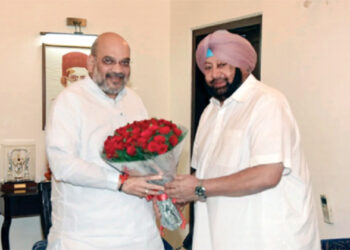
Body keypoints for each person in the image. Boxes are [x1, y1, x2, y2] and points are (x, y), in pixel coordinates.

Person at [165, 30, 320, 250]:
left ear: (245, 66)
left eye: (223, 65)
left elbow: (268, 174)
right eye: (207, 68)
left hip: (267, 238)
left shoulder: (267, 102)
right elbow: (204, 172)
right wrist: (182, 192)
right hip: (221, 235)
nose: (214, 74)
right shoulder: (209, 112)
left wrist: (198, 187)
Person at [46, 32, 165, 250]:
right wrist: (120, 182)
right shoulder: (70, 101)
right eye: (108, 61)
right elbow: (63, 165)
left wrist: (161, 186)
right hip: (87, 239)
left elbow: (146, 156)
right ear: (91, 63)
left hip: (141, 235)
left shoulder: (134, 100)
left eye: (125, 62)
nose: (118, 70)